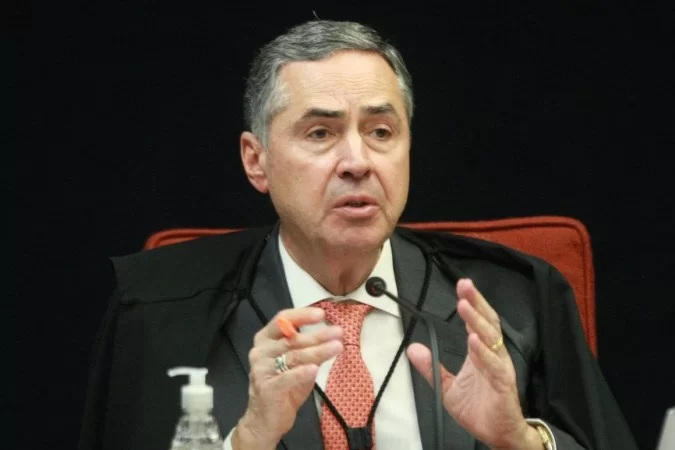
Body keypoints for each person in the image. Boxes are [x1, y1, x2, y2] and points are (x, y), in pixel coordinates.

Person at [78, 20, 638, 450]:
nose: (357, 161)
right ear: (256, 160)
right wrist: (248, 439)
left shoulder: (512, 301)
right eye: (321, 133)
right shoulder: (159, 309)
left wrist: (517, 440)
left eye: (381, 132)